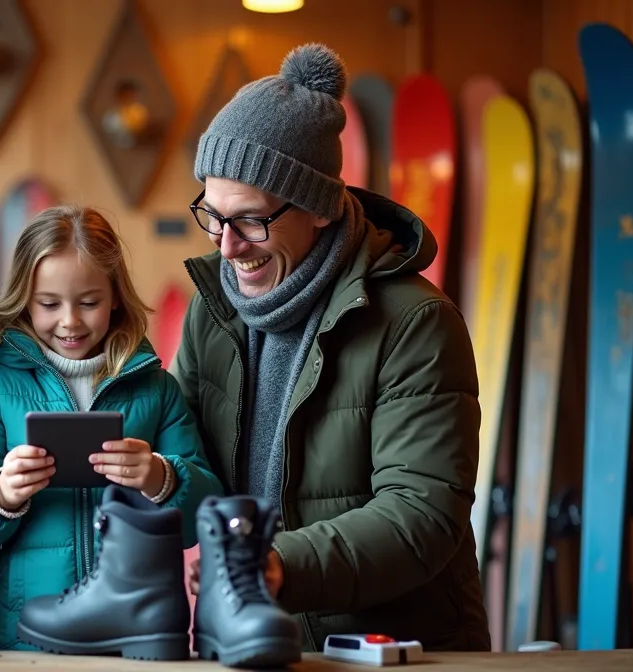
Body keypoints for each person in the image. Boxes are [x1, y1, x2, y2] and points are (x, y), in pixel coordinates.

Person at [173, 42, 491, 651]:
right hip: (244, 643)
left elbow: (420, 515)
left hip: (394, 650)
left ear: (317, 208)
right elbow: (184, 461)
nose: (227, 247)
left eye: (251, 221)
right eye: (211, 216)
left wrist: (275, 566)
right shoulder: (210, 310)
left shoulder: (415, 323)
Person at [0, 204, 223, 651]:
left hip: (140, 632)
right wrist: (0, 493)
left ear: (115, 298)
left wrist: (160, 477)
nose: (70, 321)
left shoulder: (157, 388)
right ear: (25, 301)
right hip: (31, 634)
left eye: (89, 302)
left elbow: (205, 516)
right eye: (49, 304)